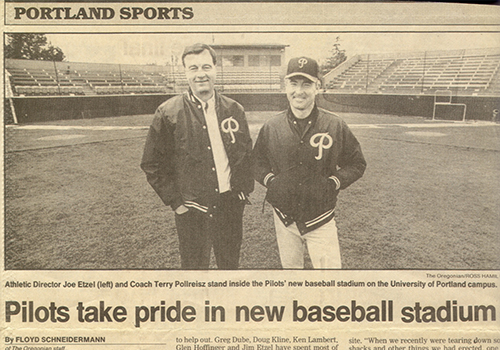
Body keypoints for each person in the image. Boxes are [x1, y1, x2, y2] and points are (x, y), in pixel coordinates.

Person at [141, 43, 254, 269]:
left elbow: (245, 153)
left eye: (206, 67)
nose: (200, 74)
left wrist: (242, 192)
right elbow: (152, 164)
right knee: (194, 271)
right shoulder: (168, 112)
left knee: (229, 266)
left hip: (229, 206)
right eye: (193, 68)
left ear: (215, 69)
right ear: (185, 72)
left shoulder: (234, 109)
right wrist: (176, 203)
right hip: (192, 209)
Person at [252, 56, 366, 269]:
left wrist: (334, 182)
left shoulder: (335, 125)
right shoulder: (272, 126)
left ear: (318, 87)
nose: (299, 91)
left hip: (321, 217)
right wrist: (271, 181)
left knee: (329, 283)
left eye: (307, 84)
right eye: (293, 83)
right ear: (285, 86)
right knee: (292, 277)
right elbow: (256, 162)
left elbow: (357, 163)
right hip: (284, 218)